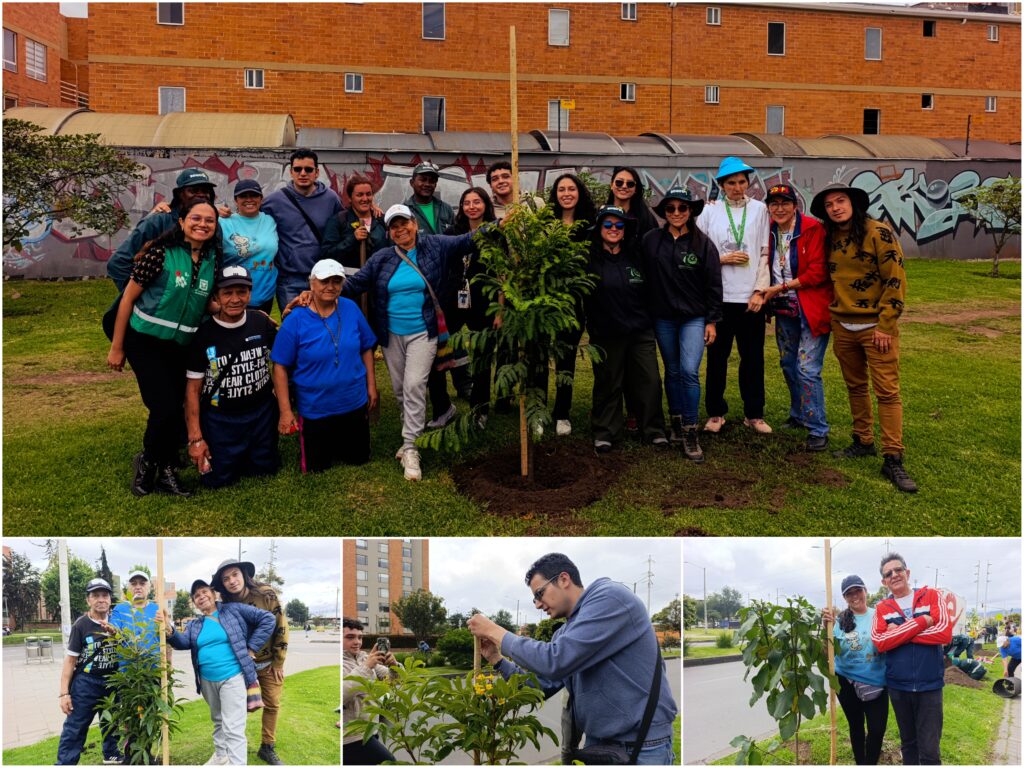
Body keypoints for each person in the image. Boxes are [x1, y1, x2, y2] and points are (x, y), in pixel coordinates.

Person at [467, 553, 678, 765]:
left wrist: (495, 631)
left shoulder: (610, 598)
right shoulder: (567, 633)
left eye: (540, 593)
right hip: (600, 745)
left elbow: (555, 660)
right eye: (535, 598)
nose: (538, 605)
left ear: (564, 579)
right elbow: (541, 685)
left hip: (642, 745)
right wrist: (497, 659)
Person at [342, 204, 477, 481]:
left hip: (423, 332)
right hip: (391, 334)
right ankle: (410, 436)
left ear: (414, 224)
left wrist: (500, 224)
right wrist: (321, 291)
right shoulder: (381, 259)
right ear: (389, 232)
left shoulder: (435, 246)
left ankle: (411, 447)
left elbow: (467, 240)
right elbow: (355, 284)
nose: (400, 229)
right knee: (400, 389)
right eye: (394, 226)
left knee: (415, 384)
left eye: (404, 223)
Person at [105, 198, 222, 499]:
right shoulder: (159, 253)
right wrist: (117, 347)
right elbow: (128, 300)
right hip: (144, 341)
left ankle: (161, 464)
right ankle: (152, 465)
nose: (202, 225)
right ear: (182, 222)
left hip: (180, 345)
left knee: (171, 407)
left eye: (209, 220)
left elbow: (201, 299)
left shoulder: (212, 259)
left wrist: (230, 307)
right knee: (165, 406)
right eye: (196, 218)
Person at [810, 182, 917, 492]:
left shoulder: (878, 233)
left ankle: (893, 456)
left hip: (875, 327)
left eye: (840, 201)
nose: (835, 208)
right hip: (843, 325)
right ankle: (863, 440)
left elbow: (895, 281)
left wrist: (886, 324)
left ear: (853, 203)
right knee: (855, 386)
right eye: (829, 205)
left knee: (886, 391)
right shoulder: (828, 238)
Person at [272, 259, 377, 473]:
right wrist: (285, 411)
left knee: (359, 459)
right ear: (311, 284)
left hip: (353, 402)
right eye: (324, 281)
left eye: (336, 281)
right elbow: (280, 366)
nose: (331, 286)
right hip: (316, 409)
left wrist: (371, 387)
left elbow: (366, 348)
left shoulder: (351, 308)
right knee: (317, 467)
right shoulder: (296, 319)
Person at [642, 187, 721, 463]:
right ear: (664, 213)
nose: (676, 213)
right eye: (670, 208)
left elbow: (713, 285)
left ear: (691, 211)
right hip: (663, 317)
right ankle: (675, 422)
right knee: (672, 371)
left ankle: (690, 430)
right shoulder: (651, 241)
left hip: (693, 318)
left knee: (689, 371)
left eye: (682, 208)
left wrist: (711, 320)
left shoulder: (703, 244)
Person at [185, 265, 280, 488]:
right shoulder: (203, 335)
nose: (235, 299)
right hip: (221, 419)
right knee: (219, 479)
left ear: (250, 293)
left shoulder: (261, 322)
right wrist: (196, 438)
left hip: (261, 414)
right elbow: (193, 389)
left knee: (265, 470)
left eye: (242, 292)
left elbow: (282, 364)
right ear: (216, 296)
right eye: (228, 293)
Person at [697, 156, 772, 435]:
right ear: (722, 184)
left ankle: (754, 413)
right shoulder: (708, 212)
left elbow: (765, 253)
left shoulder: (760, 210)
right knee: (717, 358)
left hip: (750, 299)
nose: (737, 187)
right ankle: (715, 413)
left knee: (752, 358)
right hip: (719, 298)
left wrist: (759, 291)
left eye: (742, 182)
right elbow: (699, 254)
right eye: (731, 182)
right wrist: (721, 259)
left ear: (748, 183)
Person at [585, 206, 668, 452]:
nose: (614, 230)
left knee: (649, 380)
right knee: (609, 383)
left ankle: (653, 430)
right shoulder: (589, 259)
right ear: (599, 229)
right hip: (606, 332)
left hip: (640, 330)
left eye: (619, 226)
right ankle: (606, 432)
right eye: (608, 225)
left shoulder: (637, 255)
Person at [167, 579, 276, 766]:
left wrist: (251, 648)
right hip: (207, 680)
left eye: (204, 592)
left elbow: (268, 619)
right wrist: (170, 631)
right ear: (194, 603)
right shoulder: (195, 624)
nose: (201, 597)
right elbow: (183, 643)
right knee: (218, 721)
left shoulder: (232, 609)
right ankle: (221, 756)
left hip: (233, 676)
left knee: (233, 727)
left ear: (213, 593)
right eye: (196, 596)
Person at [761, 183, 833, 452]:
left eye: (785, 203)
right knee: (788, 363)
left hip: (810, 308)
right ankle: (799, 413)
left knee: (807, 368)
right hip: (784, 310)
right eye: (774, 203)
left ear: (795, 205)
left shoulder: (812, 229)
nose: (779, 208)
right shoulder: (769, 231)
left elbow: (818, 272)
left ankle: (818, 428)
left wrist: (780, 288)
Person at [870, 553, 952, 765]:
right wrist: (923, 621)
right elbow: (880, 641)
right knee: (908, 745)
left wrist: (898, 634)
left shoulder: (931, 595)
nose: (894, 575)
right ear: (884, 581)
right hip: (899, 687)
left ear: (907, 573)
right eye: (888, 573)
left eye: (898, 570)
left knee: (930, 749)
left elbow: (944, 632)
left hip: (929, 686)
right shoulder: (881, 608)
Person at [427, 186, 496, 428]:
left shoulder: (496, 233)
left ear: (486, 205)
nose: (472, 207)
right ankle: (442, 407)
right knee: (439, 351)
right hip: (453, 300)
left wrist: (500, 308)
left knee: (483, 356)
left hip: (484, 302)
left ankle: (480, 409)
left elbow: (502, 274)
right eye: (467, 202)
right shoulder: (452, 232)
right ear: (461, 207)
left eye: (477, 202)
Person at [211, 559, 291, 765]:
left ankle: (267, 746)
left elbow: (281, 626)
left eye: (235, 574)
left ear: (244, 575)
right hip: (240, 665)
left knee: (272, 704)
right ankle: (233, 746)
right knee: (235, 707)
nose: (232, 581)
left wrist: (279, 661)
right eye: (226, 578)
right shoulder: (225, 605)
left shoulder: (266, 594)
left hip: (267, 663)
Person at [106, 168, 218, 292]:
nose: (201, 194)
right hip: (158, 308)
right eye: (193, 190)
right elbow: (117, 263)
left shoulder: (211, 226)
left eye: (205, 190)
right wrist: (139, 296)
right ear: (180, 194)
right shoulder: (157, 222)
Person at [546, 172, 598, 437]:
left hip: (575, 302)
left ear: (580, 193)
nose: (566, 193)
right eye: (561, 189)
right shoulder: (546, 223)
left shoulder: (590, 225)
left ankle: (562, 413)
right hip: (546, 300)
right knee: (540, 356)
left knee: (566, 357)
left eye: (571, 189)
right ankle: (538, 411)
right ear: (555, 195)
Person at [261, 149, 343, 311]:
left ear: (317, 172)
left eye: (308, 169)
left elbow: (345, 222)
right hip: (290, 279)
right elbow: (250, 216)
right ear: (291, 172)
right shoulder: (275, 201)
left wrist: (369, 208)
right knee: (296, 325)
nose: (303, 173)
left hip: (323, 277)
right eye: (298, 169)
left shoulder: (331, 198)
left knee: (323, 324)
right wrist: (225, 215)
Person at [56, 579, 122, 766]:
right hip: (86, 683)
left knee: (111, 723)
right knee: (75, 728)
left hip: (112, 681)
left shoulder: (118, 621)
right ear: (88, 600)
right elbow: (70, 661)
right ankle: (65, 763)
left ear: (110, 599)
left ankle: (111, 754)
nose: (101, 599)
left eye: (105, 595)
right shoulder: (81, 625)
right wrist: (64, 693)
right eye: (96, 595)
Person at [825, 575, 889, 766]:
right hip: (846, 681)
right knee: (856, 726)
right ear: (845, 598)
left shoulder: (879, 615)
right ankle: (861, 762)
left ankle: (870, 762)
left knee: (877, 729)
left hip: (876, 681)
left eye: (857, 591)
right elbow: (828, 648)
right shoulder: (839, 621)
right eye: (849, 594)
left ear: (865, 591)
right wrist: (825, 626)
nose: (854, 596)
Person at [342, 617, 398, 764]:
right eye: (350, 637)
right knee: (389, 763)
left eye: (360, 637)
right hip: (351, 736)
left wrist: (394, 666)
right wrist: (366, 667)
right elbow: (341, 694)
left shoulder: (364, 658)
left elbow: (393, 681)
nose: (357, 642)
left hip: (371, 729)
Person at [219, 179, 279, 314]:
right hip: (233, 296)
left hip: (265, 295)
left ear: (261, 198)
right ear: (235, 200)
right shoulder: (223, 223)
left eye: (254, 195)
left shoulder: (271, 221)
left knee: (259, 334)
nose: (249, 199)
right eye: (243, 196)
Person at [320, 174, 389, 275]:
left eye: (368, 194)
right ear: (350, 198)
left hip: (378, 282)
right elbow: (327, 255)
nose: (365, 199)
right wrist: (352, 239)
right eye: (359, 195)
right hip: (350, 283)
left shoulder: (382, 220)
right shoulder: (339, 221)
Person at [604, 166, 659, 238]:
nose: (624, 186)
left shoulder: (646, 219)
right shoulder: (602, 214)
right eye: (619, 182)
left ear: (636, 189)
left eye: (630, 184)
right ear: (611, 185)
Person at [403, 161, 454, 235]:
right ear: (412, 183)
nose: (427, 184)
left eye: (432, 181)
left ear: (435, 185)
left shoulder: (446, 209)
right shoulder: (404, 211)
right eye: (423, 179)